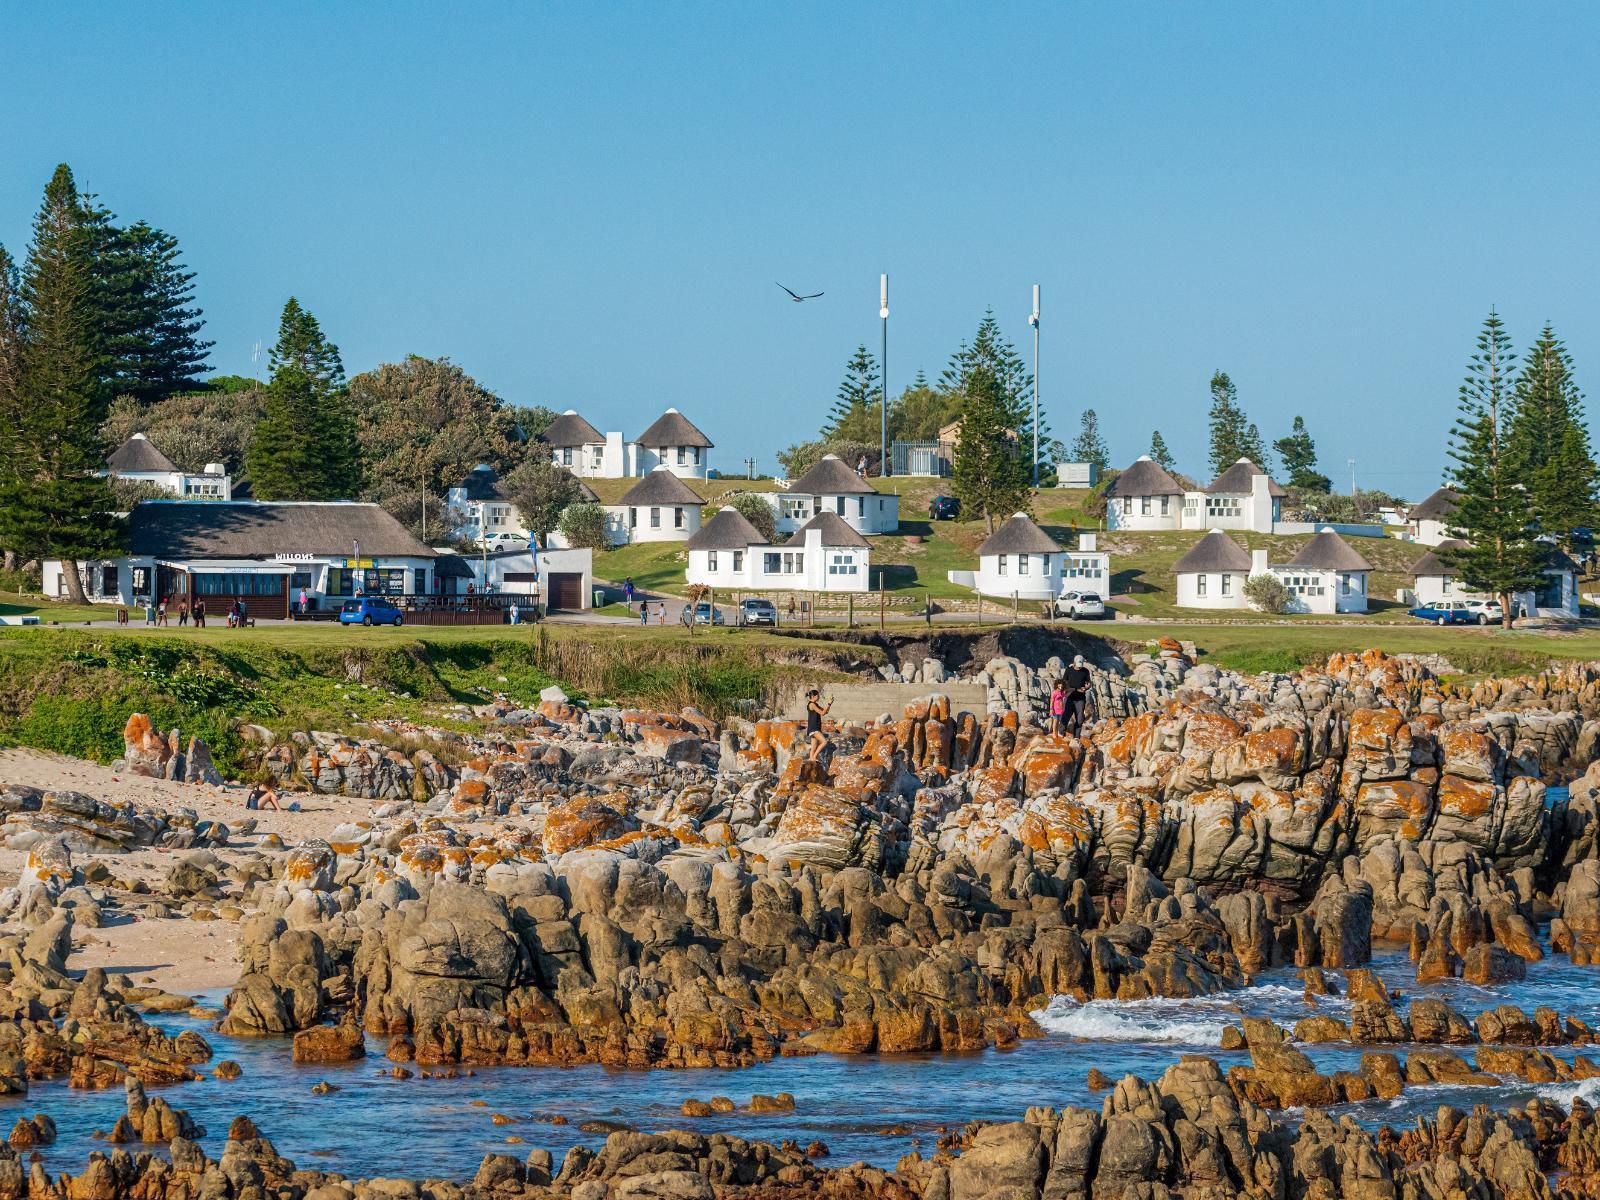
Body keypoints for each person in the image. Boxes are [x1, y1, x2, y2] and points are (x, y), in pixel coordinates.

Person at [1062, 654, 1091, 736]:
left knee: (1080, 719)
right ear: (1074, 663)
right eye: (1078, 666)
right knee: (1065, 717)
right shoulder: (1069, 670)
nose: (1079, 667)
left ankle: (1076, 738)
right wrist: (1071, 689)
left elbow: (1089, 683)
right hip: (1070, 697)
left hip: (1080, 699)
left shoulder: (1085, 671)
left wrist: (1087, 687)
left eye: (1081, 666)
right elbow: (1064, 682)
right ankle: (1061, 734)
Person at [804, 688, 833, 760]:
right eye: (817, 696)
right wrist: (828, 703)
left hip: (815, 728)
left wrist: (829, 705)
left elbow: (825, 711)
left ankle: (812, 760)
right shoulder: (812, 704)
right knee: (824, 742)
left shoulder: (815, 704)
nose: (819, 697)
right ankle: (814, 757)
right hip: (814, 728)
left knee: (813, 747)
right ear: (813, 696)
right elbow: (822, 713)